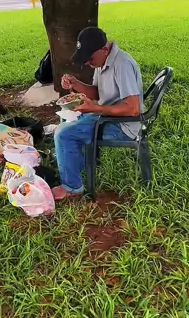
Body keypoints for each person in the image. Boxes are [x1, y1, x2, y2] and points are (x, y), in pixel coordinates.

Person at [53, 27, 143, 199]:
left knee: (64, 134)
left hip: (123, 126)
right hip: (107, 116)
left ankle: (72, 187)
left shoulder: (122, 65)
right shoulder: (102, 61)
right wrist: (76, 83)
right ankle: (76, 164)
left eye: (90, 58)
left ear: (104, 49)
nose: (88, 62)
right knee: (67, 119)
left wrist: (95, 109)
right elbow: (98, 93)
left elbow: (133, 109)